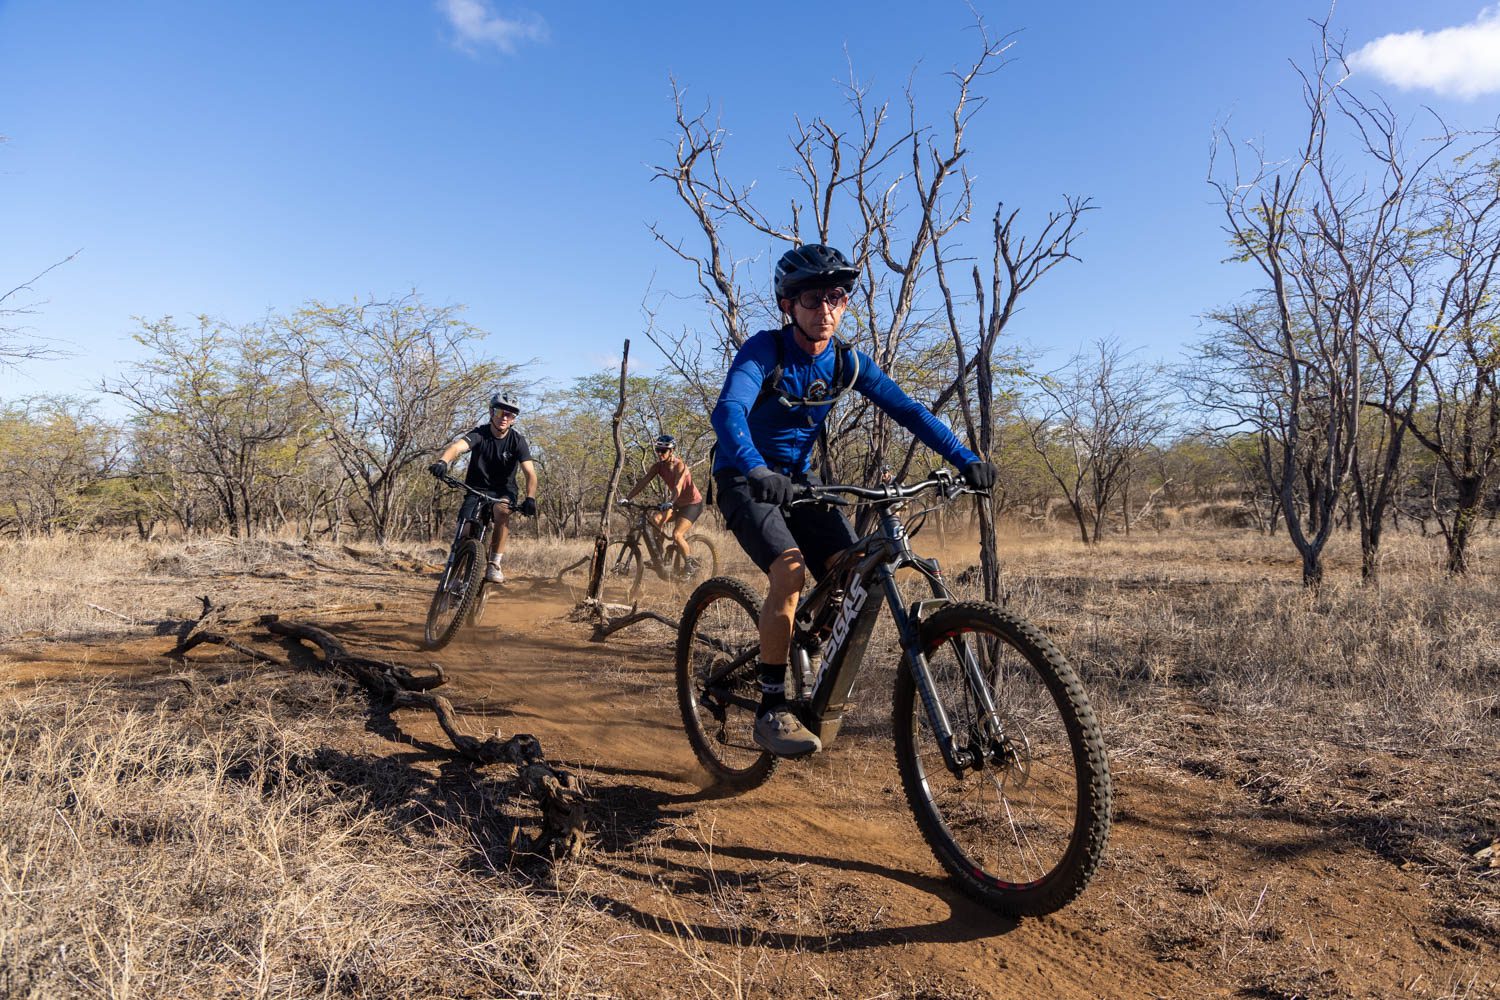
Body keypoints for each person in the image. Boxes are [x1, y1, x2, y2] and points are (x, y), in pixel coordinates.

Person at [710, 243, 997, 757]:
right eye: (812, 298)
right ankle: (772, 706)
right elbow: (729, 410)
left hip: (800, 482)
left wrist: (965, 458)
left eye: (837, 297)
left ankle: (804, 641)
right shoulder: (765, 351)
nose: (826, 309)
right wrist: (754, 467)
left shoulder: (847, 362)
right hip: (744, 476)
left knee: (852, 570)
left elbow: (908, 410)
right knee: (790, 572)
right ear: (788, 305)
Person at [428, 392, 538, 584]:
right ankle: (455, 569)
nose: (504, 417)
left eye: (510, 415)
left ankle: (494, 564)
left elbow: (530, 473)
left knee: (502, 512)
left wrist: (530, 498)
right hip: (476, 489)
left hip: (503, 491)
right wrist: (443, 462)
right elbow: (457, 447)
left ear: (513, 419)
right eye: (500, 412)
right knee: (465, 529)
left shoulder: (517, 441)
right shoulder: (480, 434)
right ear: (491, 412)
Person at [621, 433, 704, 570]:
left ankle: (690, 565)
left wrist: (671, 501)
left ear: (672, 451)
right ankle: (658, 556)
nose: (660, 454)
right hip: (676, 503)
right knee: (656, 520)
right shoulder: (658, 466)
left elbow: (678, 486)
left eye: (663, 451)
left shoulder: (680, 466)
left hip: (692, 504)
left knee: (677, 535)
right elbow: (643, 482)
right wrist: (627, 498)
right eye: (657, 450)